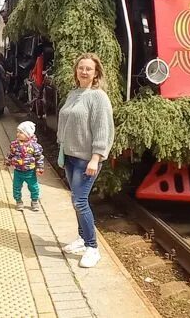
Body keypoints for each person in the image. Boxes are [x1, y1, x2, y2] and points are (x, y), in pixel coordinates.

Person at [58, 53, 114, 269]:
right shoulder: (74, 93)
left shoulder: (98, 97)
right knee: (75, 200)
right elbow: (65, 122)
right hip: (71, 157)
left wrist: (96, 158)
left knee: (80, 202)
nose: (84, 72)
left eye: (88, 69)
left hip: (86, 160)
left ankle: (93, 248)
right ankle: (82, 239)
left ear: (96, 73)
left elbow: (103, 130)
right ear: (76, 71)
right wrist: (62, 147)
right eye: (81, 68)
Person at [5, 121, 44, 212]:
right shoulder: (15, 144)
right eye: (17, 132)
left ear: (28, 134)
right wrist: (8, 161)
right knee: (16, 187)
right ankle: (18, 201)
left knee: (33, 187)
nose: (18, 134)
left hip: (30, 172)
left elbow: (39, 157)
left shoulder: (35, 146)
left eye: (21, 132)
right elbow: (11, 154)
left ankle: (34, 201)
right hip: (18, 171)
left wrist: (40, 167)